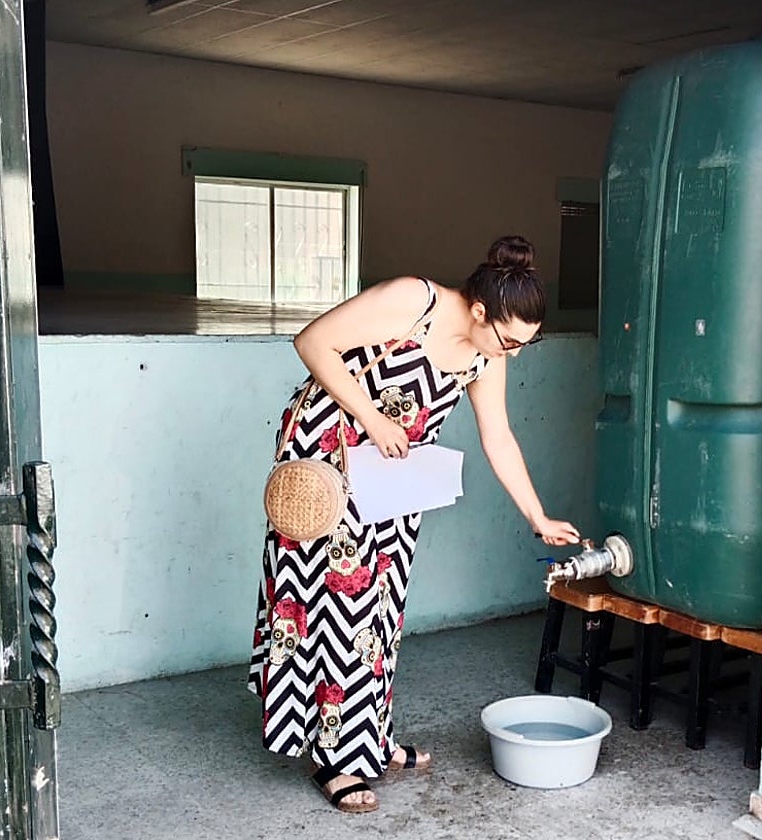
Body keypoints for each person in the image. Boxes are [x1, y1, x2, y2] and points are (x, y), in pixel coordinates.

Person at [247, 235, 581, 813]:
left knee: (379, 615)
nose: (515, 353)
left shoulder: (486, 354)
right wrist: (372, 417)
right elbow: (313, 342)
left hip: (392, 480)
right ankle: (334, 761)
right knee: (335, 612)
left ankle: (366, 741)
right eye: (510, 339)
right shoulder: (413, 300)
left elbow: (498, 437)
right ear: (479, 310)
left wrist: (537, 514)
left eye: (527, 344)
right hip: (329, 463)